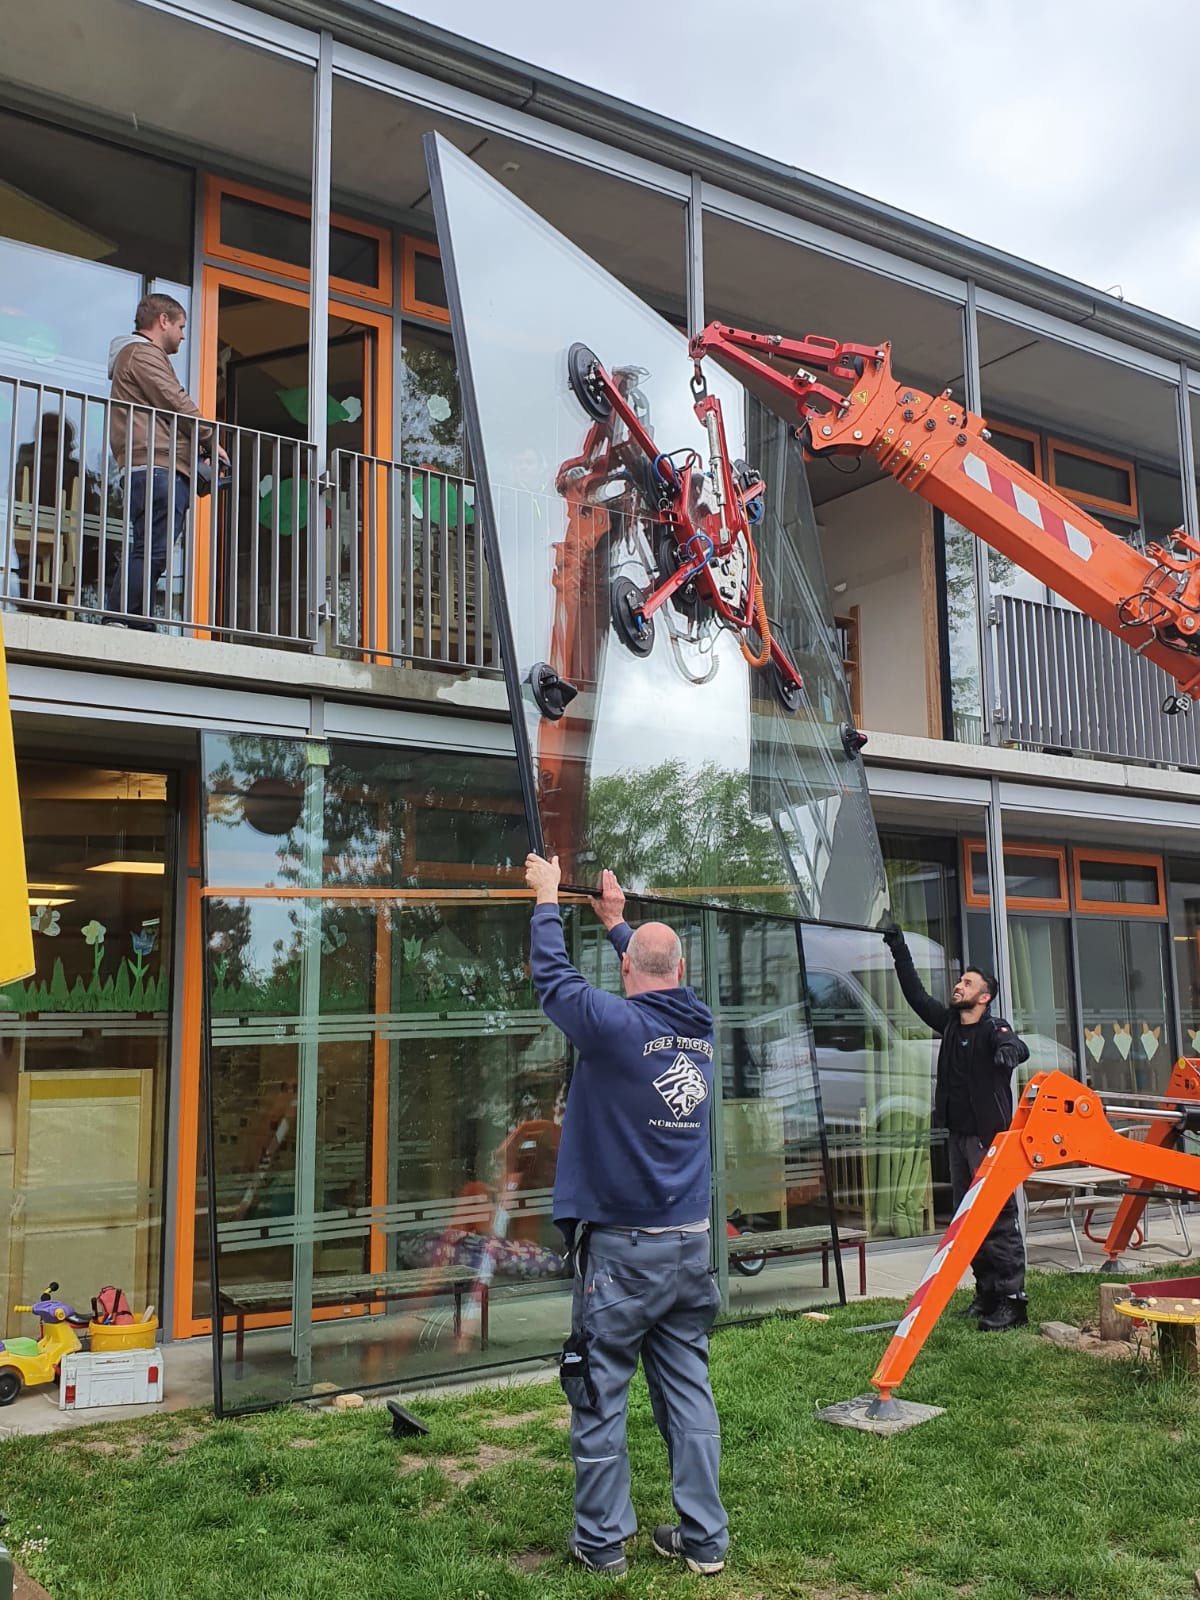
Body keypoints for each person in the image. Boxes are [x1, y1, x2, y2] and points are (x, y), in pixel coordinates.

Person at [525, 851, 727, 1581]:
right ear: (678, 973)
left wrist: (547, 899)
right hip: (689, 1251)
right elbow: (657, 968)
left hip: (625, 1256)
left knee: (599, 1388)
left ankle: (603, 1545)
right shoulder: (698, 1023)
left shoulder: (613, 1024)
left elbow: (553, 979)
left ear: (628, 976)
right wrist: (617, 924)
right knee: (688, 1395)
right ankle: (705, 1540)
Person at [882, 923, 1030, 1331]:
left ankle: (1013, 1301)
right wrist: (898, 948)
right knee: (968, 1218)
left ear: (984, 997)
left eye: (968, 983)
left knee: (997, 1218)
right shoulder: (949, 1024)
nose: (958, 986)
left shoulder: (992, 1028)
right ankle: (986, 1295)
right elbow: (915, 995)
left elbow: (1016, 1045)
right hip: (958, 1137)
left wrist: (1007, 1055)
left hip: (988, 1140)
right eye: (959, 980)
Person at [106, 293, 226, 628]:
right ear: (163, 321)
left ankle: (134, 618)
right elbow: (175, 401)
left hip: (154, 465)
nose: (184, 335)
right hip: (158, 466)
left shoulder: (141, 356)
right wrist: (210, 439)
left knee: (152, 549)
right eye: (181, 326)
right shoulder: (142, 354)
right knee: (153, 550)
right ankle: (120, 616)